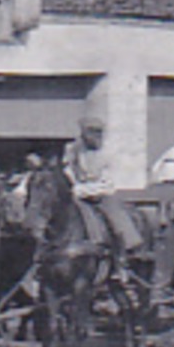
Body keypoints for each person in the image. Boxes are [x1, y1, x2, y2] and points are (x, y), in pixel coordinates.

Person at [62, 116, 143, 275]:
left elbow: (107, 180)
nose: (93, 136)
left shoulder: (108, 151)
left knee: (115, 219)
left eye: (97, 132)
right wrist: (73, 184)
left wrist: (85, 189)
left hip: (102, 192)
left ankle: (121, 260)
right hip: (78, 192)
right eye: (89, 132)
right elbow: (68, 168)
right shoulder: (73, 148)